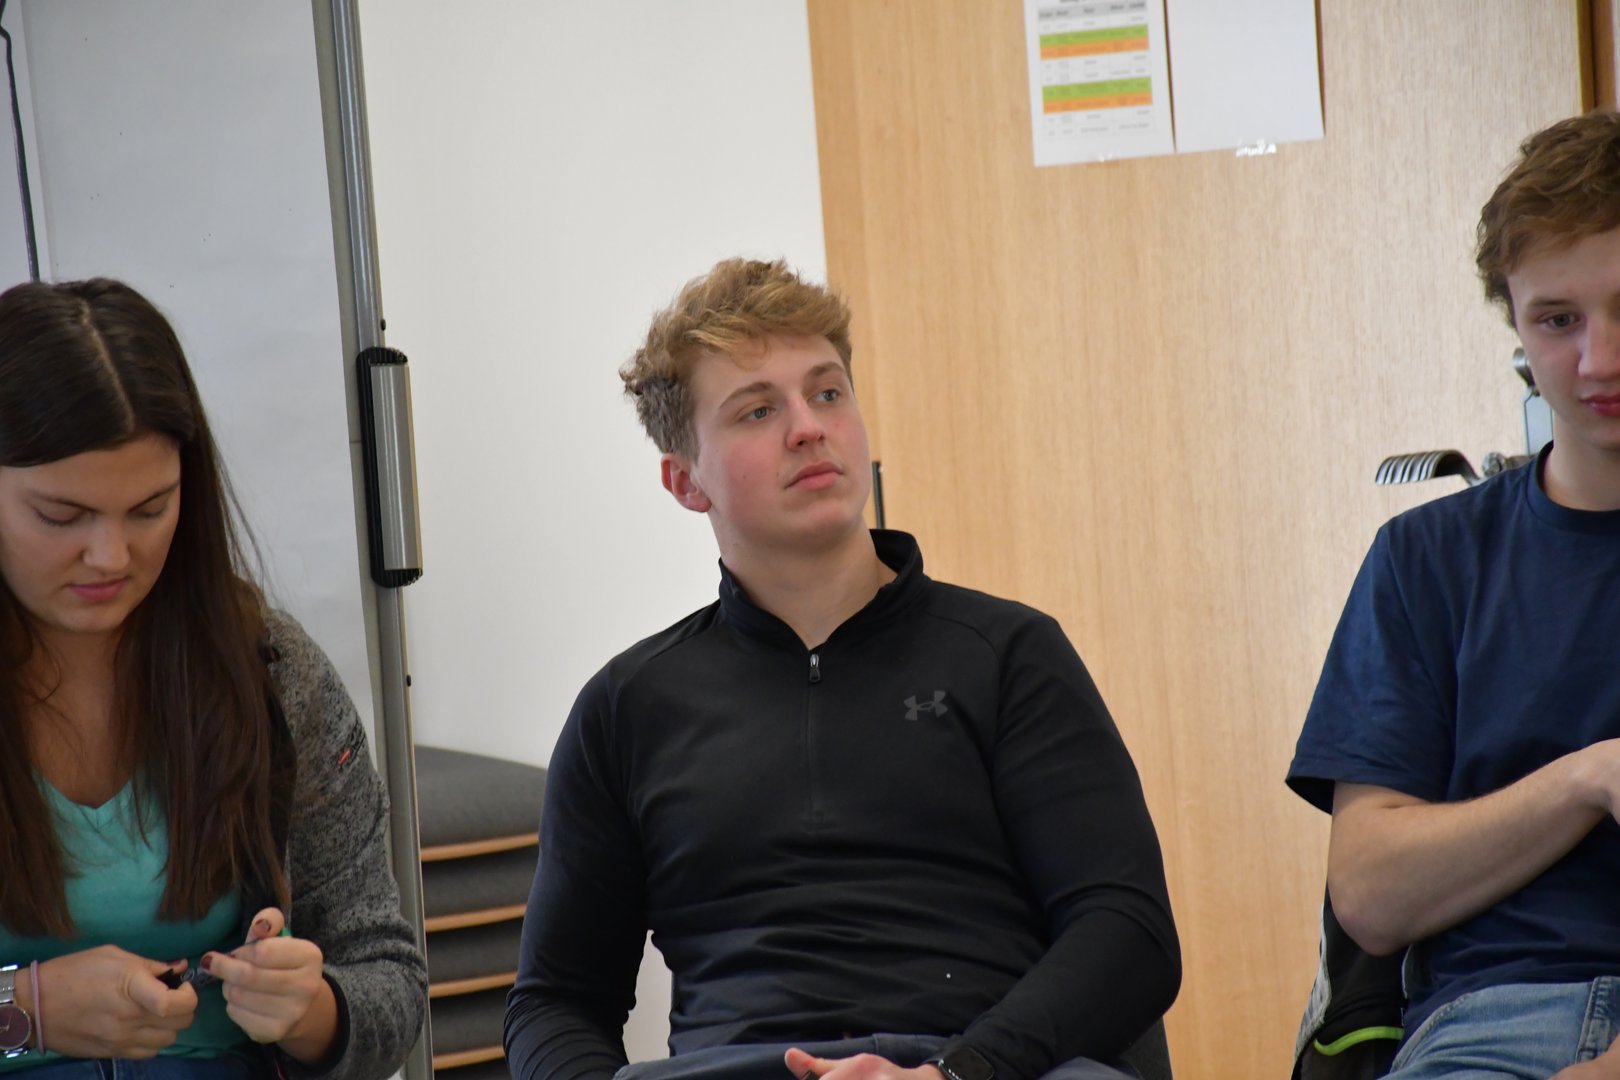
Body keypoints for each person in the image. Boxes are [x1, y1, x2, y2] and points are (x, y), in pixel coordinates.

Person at [505, 258, 1179, 1080]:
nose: (807, 427)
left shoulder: (1008, 655)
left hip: (977, 1066)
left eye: (827, 393)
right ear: (686, 481)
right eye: (758, 410)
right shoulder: (627, 708)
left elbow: (1127, 931)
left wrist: (958, 1073)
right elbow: (554, 1001)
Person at [0, 279, 427, 1079]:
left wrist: (312, 1009)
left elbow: (389, 979)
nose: (111, 556)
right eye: (61, 517)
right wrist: (28, 1008)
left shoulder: (268, 668)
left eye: (150, 509)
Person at [1287, 110, 1620, 1079]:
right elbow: (1372, 896)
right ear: (1514, 328)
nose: (1599, 360)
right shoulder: (1425, 561)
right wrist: (1586, 780)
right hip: (1487, 1030)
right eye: (1557, 320)